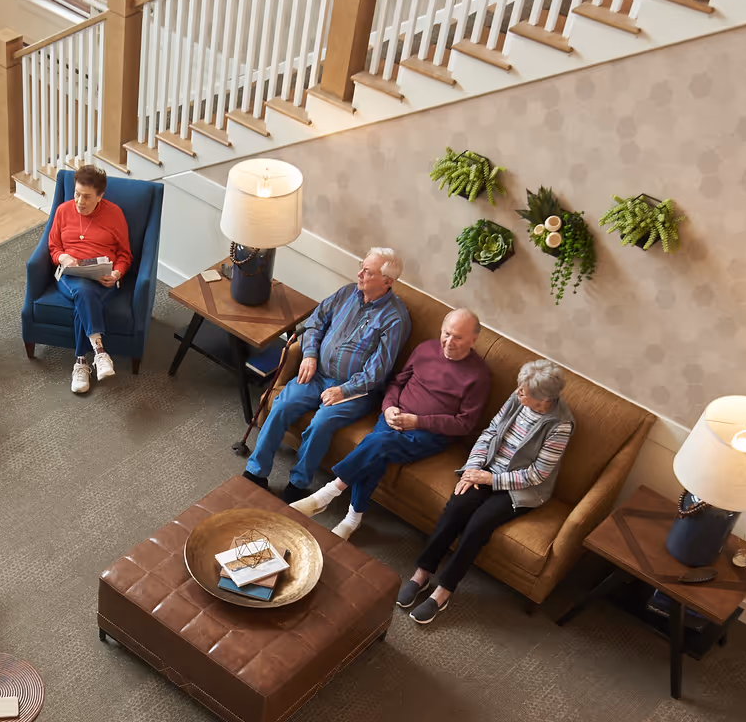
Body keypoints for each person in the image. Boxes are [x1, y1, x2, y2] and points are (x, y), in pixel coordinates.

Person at [400, 360, 575, 625]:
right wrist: (473, 469)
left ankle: (443, 591)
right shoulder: (517, 399)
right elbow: (490, 432)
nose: (518, 392)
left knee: (478, 525)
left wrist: (491, 479)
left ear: (543, 399)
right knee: (456, 508)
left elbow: (537, 474)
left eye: (524, 391)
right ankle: (422, 574)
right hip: (487, 469)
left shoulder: (560, 425)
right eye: (520, 387)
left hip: (520, 488)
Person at [293, 308, 491, 539]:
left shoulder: (479, 376)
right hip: (393, 417)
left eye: (458, 337)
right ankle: (353, 518)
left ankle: (327, 494)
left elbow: (464, 424)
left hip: (429, 433)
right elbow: (397, 382)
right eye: (446, 333)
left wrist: (418, 421)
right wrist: (388, 408)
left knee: (377, 443)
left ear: (473, 340)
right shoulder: (425, 349)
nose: (449, 342)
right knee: (377, 449)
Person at [243, 248, 412, 502]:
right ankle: (256, 471)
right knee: (281, 404)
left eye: (368, 271)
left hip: (355, 391)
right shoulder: (347, 293)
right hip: (318, 373)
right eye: (362, 266)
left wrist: (344, 390)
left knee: (321, 423)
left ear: (387, 281)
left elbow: (378, 370)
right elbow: (315, 322)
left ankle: (298, 483)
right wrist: (310, 354)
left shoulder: (395, 319)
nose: (360, 274)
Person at [47, 164, 134, 395]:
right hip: (71, 277)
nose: (79, 201)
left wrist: (116, 274)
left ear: (100, 195)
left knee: (83, 301)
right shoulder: (63, 211)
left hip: (103, 278)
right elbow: (53, 247)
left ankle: (80, 362)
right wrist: (63, 257)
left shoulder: (114, 214)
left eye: (86, 196)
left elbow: (125, 255)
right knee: (83, 291)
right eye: (76, 194)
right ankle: (100, 351)